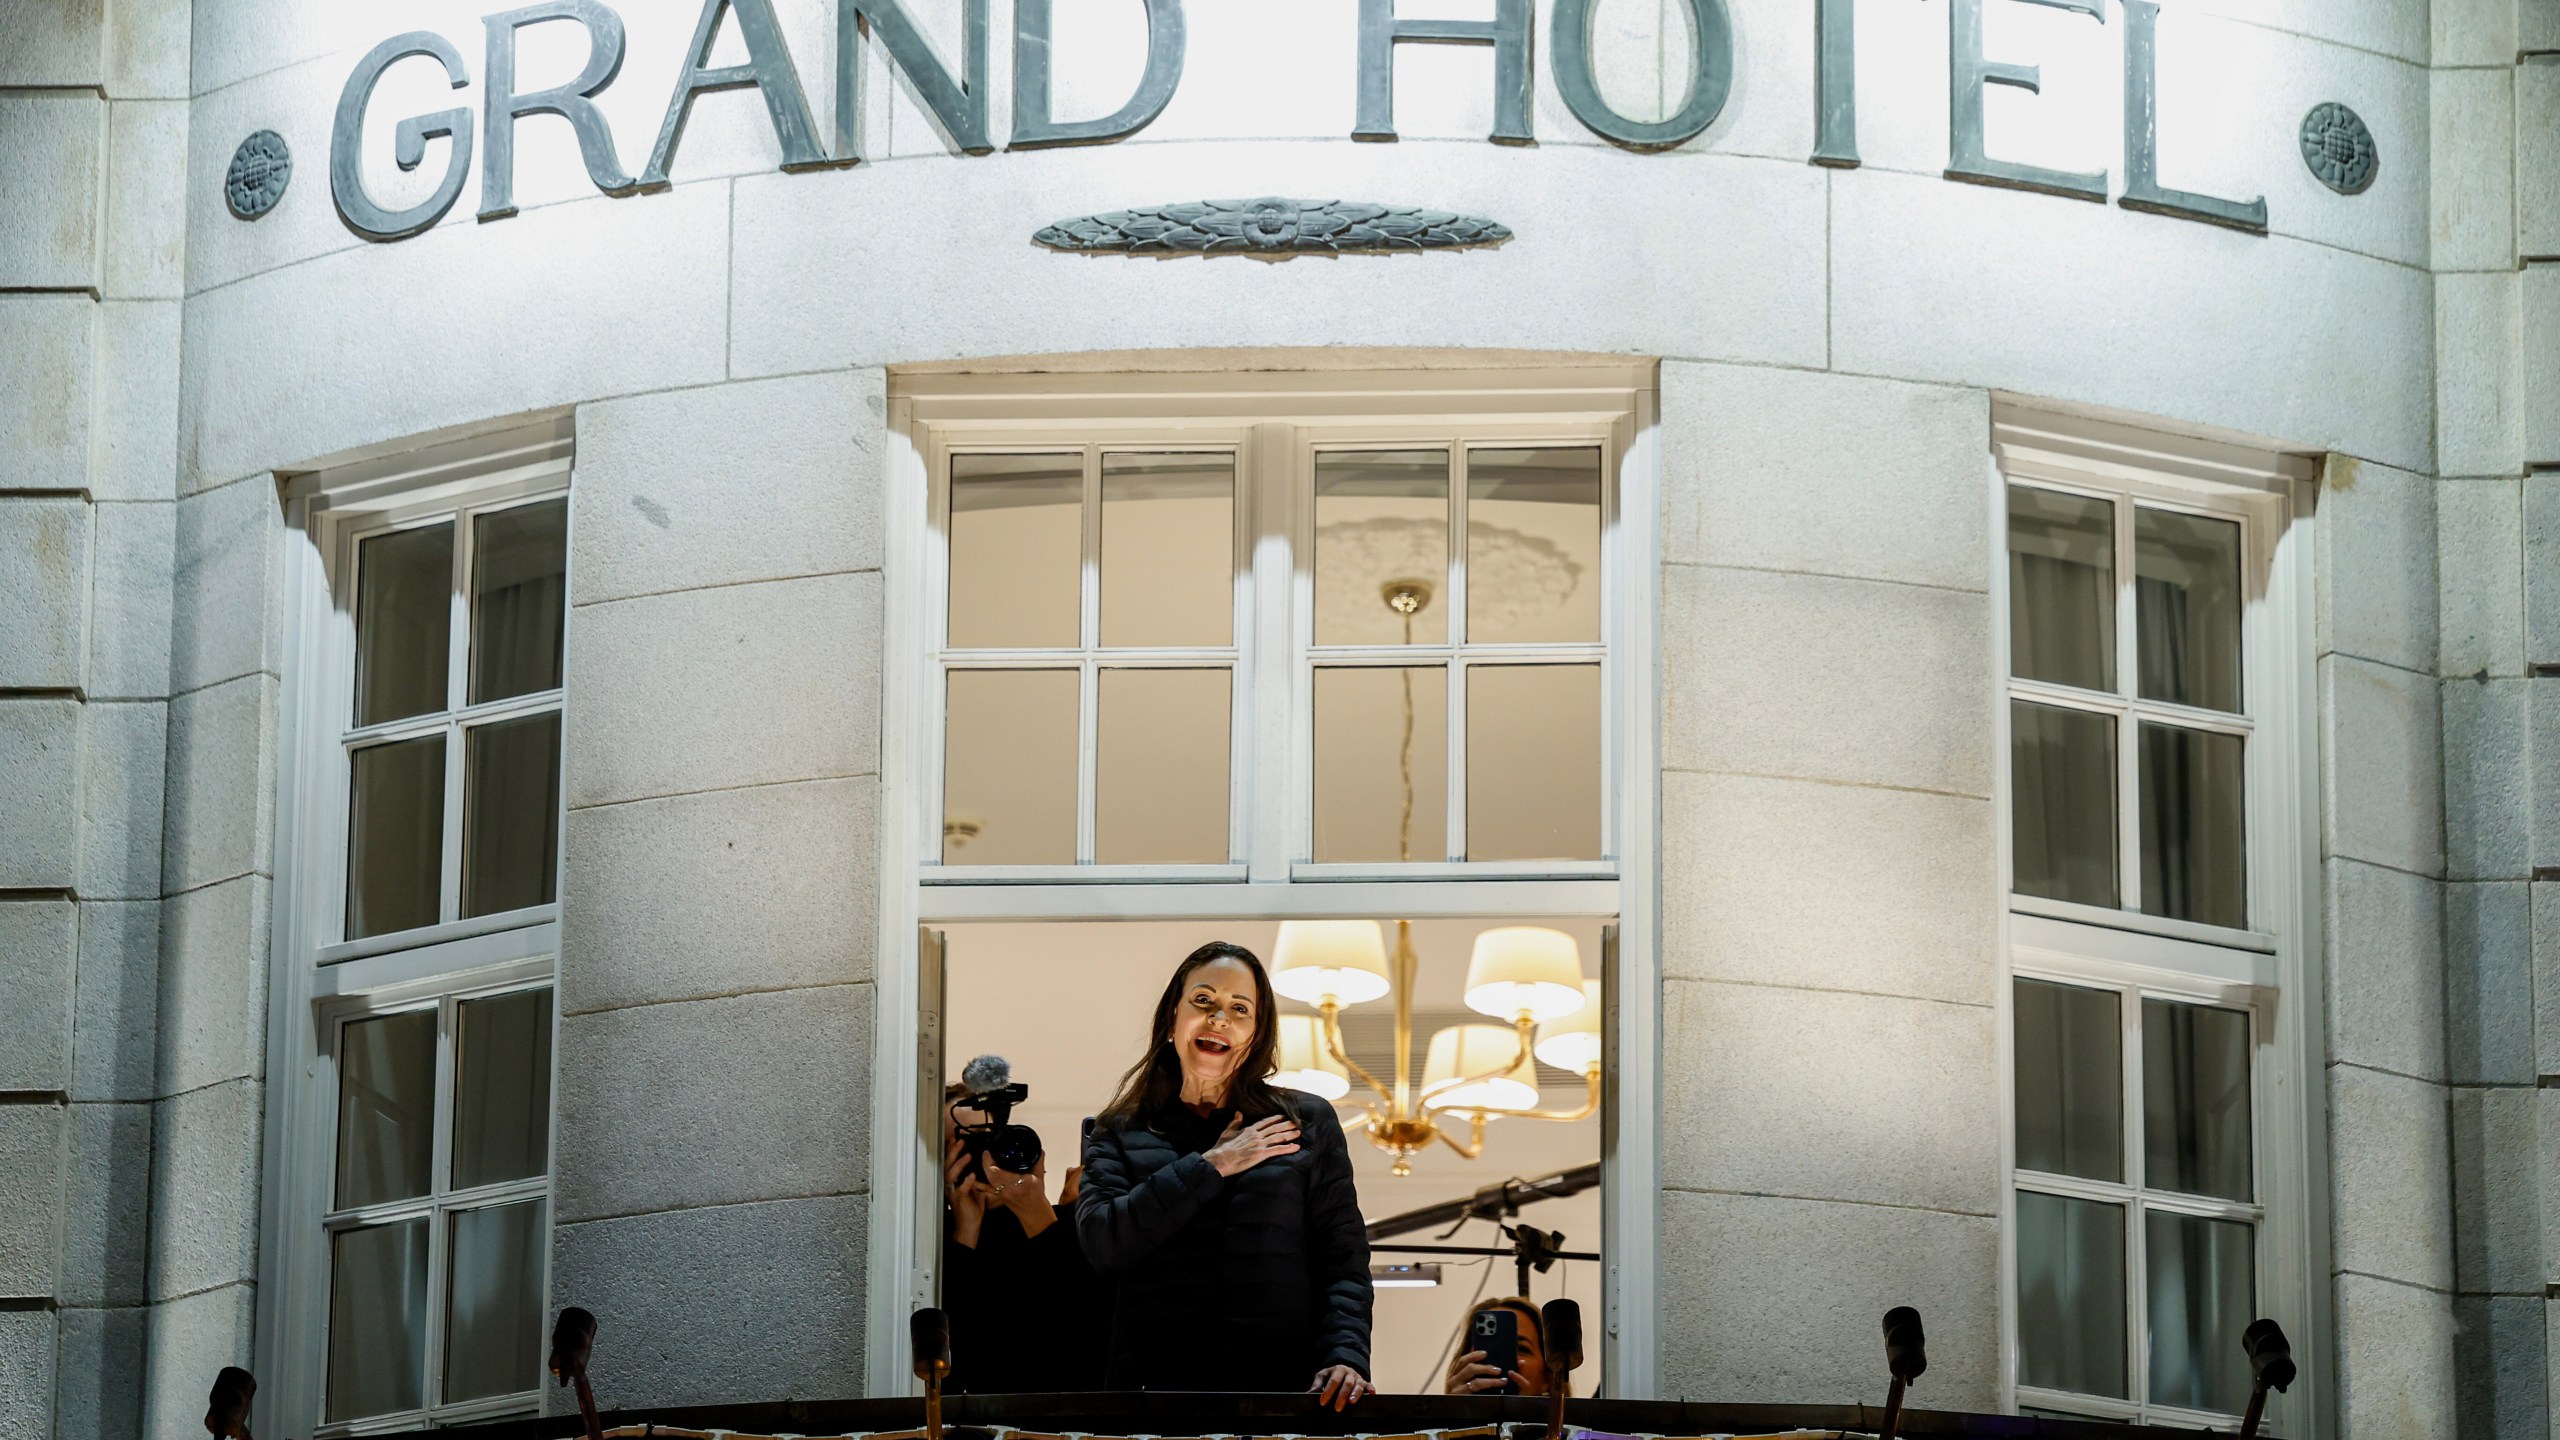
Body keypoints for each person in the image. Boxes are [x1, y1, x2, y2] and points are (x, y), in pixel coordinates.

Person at [1075, 941, 1375, 1408]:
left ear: (1255, 1034)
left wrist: (1346, 1356)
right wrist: (1213, 1164)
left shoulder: (1307, 1120)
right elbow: (1104, 1244)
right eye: (1203, 1000)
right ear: (1174, 1014)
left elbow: (1344, 1260)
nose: (1219, 1019)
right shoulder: (1115, 1129)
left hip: (1284, 1392)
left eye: (1240, 1009)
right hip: (1153, 1395)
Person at [940, 1084, 1106, 1392]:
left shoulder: (1064, 1223)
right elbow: (951, 1349)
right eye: (967, 1143)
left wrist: (1040, 1212)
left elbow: (1086, 1331)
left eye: (992, 1138)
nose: (986, 1156)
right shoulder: (932, 1242)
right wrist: (965, 1229)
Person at [1444, 1296, 1549, 1395]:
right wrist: (1455, 1408)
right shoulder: (1446, 1413)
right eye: (1488, 1348)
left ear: (1547, 1376)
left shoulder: (1563, 1414)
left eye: (1521, 1348)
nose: (1504, 1357)